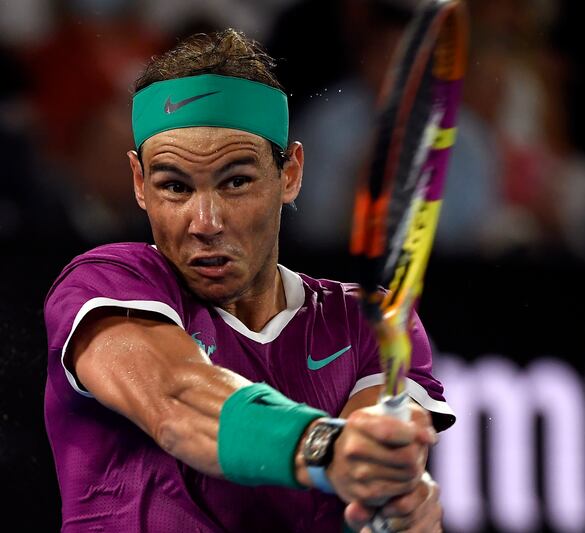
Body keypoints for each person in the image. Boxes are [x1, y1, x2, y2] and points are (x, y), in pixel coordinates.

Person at [43, 29, 454, 532]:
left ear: (290, 173)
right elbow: (178, 401)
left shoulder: (370, 324)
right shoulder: (104, 285)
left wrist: (397, 505)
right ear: (138, 184)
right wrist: (326, 445)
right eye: (174, 186)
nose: (206, 221)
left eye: (236, 181)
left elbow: (370, 473)